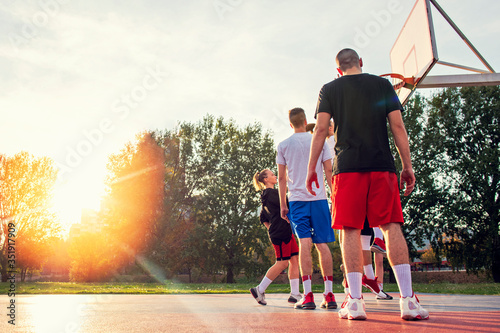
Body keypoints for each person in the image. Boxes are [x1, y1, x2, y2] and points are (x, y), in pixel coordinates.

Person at [306, 48, 429, 321]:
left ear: (338, 69)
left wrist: (311, 168)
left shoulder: (329, 89)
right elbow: (398, 127)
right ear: (361, 62)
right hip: (381, 165)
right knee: (391, 227)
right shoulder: (382, 84)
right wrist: (407, 166)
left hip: (347, 168)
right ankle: (408, 301)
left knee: (350, 230)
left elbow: (321, 130)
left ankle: (355, 303)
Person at [277, 107, 337, 310]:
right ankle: (329, 295)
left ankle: (309, 295)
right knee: (322, 245)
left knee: (304, 243)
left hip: (297, 201)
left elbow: (282, 178)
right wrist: (334, 197)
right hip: (319, 198)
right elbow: (329, 170)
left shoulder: (283, 145)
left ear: (291, 123)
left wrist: (283, 205)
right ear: (305, 120)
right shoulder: (318, 141)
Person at [250, 169, 301, 305]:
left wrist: (271, 229)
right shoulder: (272, 194)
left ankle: (295, 294)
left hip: (285, 231)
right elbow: (287, 205)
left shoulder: (266, 196)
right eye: (272, 174)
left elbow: (263, 218)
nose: (275, 176)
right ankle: (259, 289)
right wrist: (275, 230)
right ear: (266, 180)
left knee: (294, 260)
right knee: (283, 263)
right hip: (281, 233)